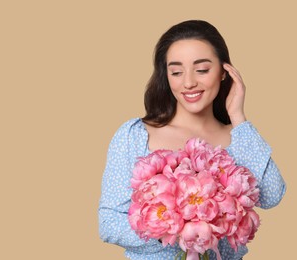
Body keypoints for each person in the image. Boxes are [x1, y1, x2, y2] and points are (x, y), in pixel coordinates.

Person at [98, 20, 286, 260]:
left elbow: (272, 196)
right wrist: (176, 232)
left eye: (202, 70)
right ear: (166, 77)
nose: (188, 83)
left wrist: (238, 118)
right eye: (176, 72)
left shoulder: (239, 137)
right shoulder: (134, 135)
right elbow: (108, 222)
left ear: (223, 73)